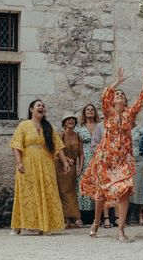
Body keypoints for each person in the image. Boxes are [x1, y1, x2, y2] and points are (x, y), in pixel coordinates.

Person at [80, 67, 143, 241]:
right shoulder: (108, 113)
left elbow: (142, 100)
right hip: (106, 159)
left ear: (125, 101)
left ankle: (121, 229)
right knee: (102, 194)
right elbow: (105, 96)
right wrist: (117, 82)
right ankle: (96, 222)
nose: (118, 96)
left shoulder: (129, 114)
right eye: (116, 94)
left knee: (125, 191)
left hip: (124, 159)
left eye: (121, 95)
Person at [10, 100, 74, 236]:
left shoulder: (47, 126)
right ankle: (21, 225)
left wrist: (64, 162)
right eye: (39, 105)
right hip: (28, 162)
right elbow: (16, 145)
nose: (42, 107)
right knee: (28, 193)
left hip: (45, 163)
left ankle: (44, 225)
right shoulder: (24, 125)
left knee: (46, 191)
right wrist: (19, 162)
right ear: (31, 109)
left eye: (43, 106)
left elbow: (58, 146)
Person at [74, 104, 100, 225]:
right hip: (84, 158)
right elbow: (75, 144)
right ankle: (83, 215)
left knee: (97, 184)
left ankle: (97, 215)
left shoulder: (99, 126)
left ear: (95, 112)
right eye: (87, 109)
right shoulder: (79, 128)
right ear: (84, 113)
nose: (90, 111)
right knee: (83, 184)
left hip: (98, 157)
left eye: (92, 109)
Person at [57, 114, 84, 228]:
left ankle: (72, 217)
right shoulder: (61, 134)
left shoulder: (78, 136)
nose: (71, 120)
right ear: (64, 122)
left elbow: (81, 153)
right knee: (63, 191)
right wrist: (66, 160)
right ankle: (67, 218)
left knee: (72, 191)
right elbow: (57, 150)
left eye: (73, 119)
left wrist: (80, 166)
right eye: (68, 119)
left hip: (72, 166)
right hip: (61, 165)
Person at [129, 120, 143, 225]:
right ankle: (127, 214)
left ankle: (139, 214)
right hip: (125, 161)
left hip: (139, 160)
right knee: (126, 188)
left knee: (140, 187)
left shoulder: (141, 129)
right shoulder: (121, 128)